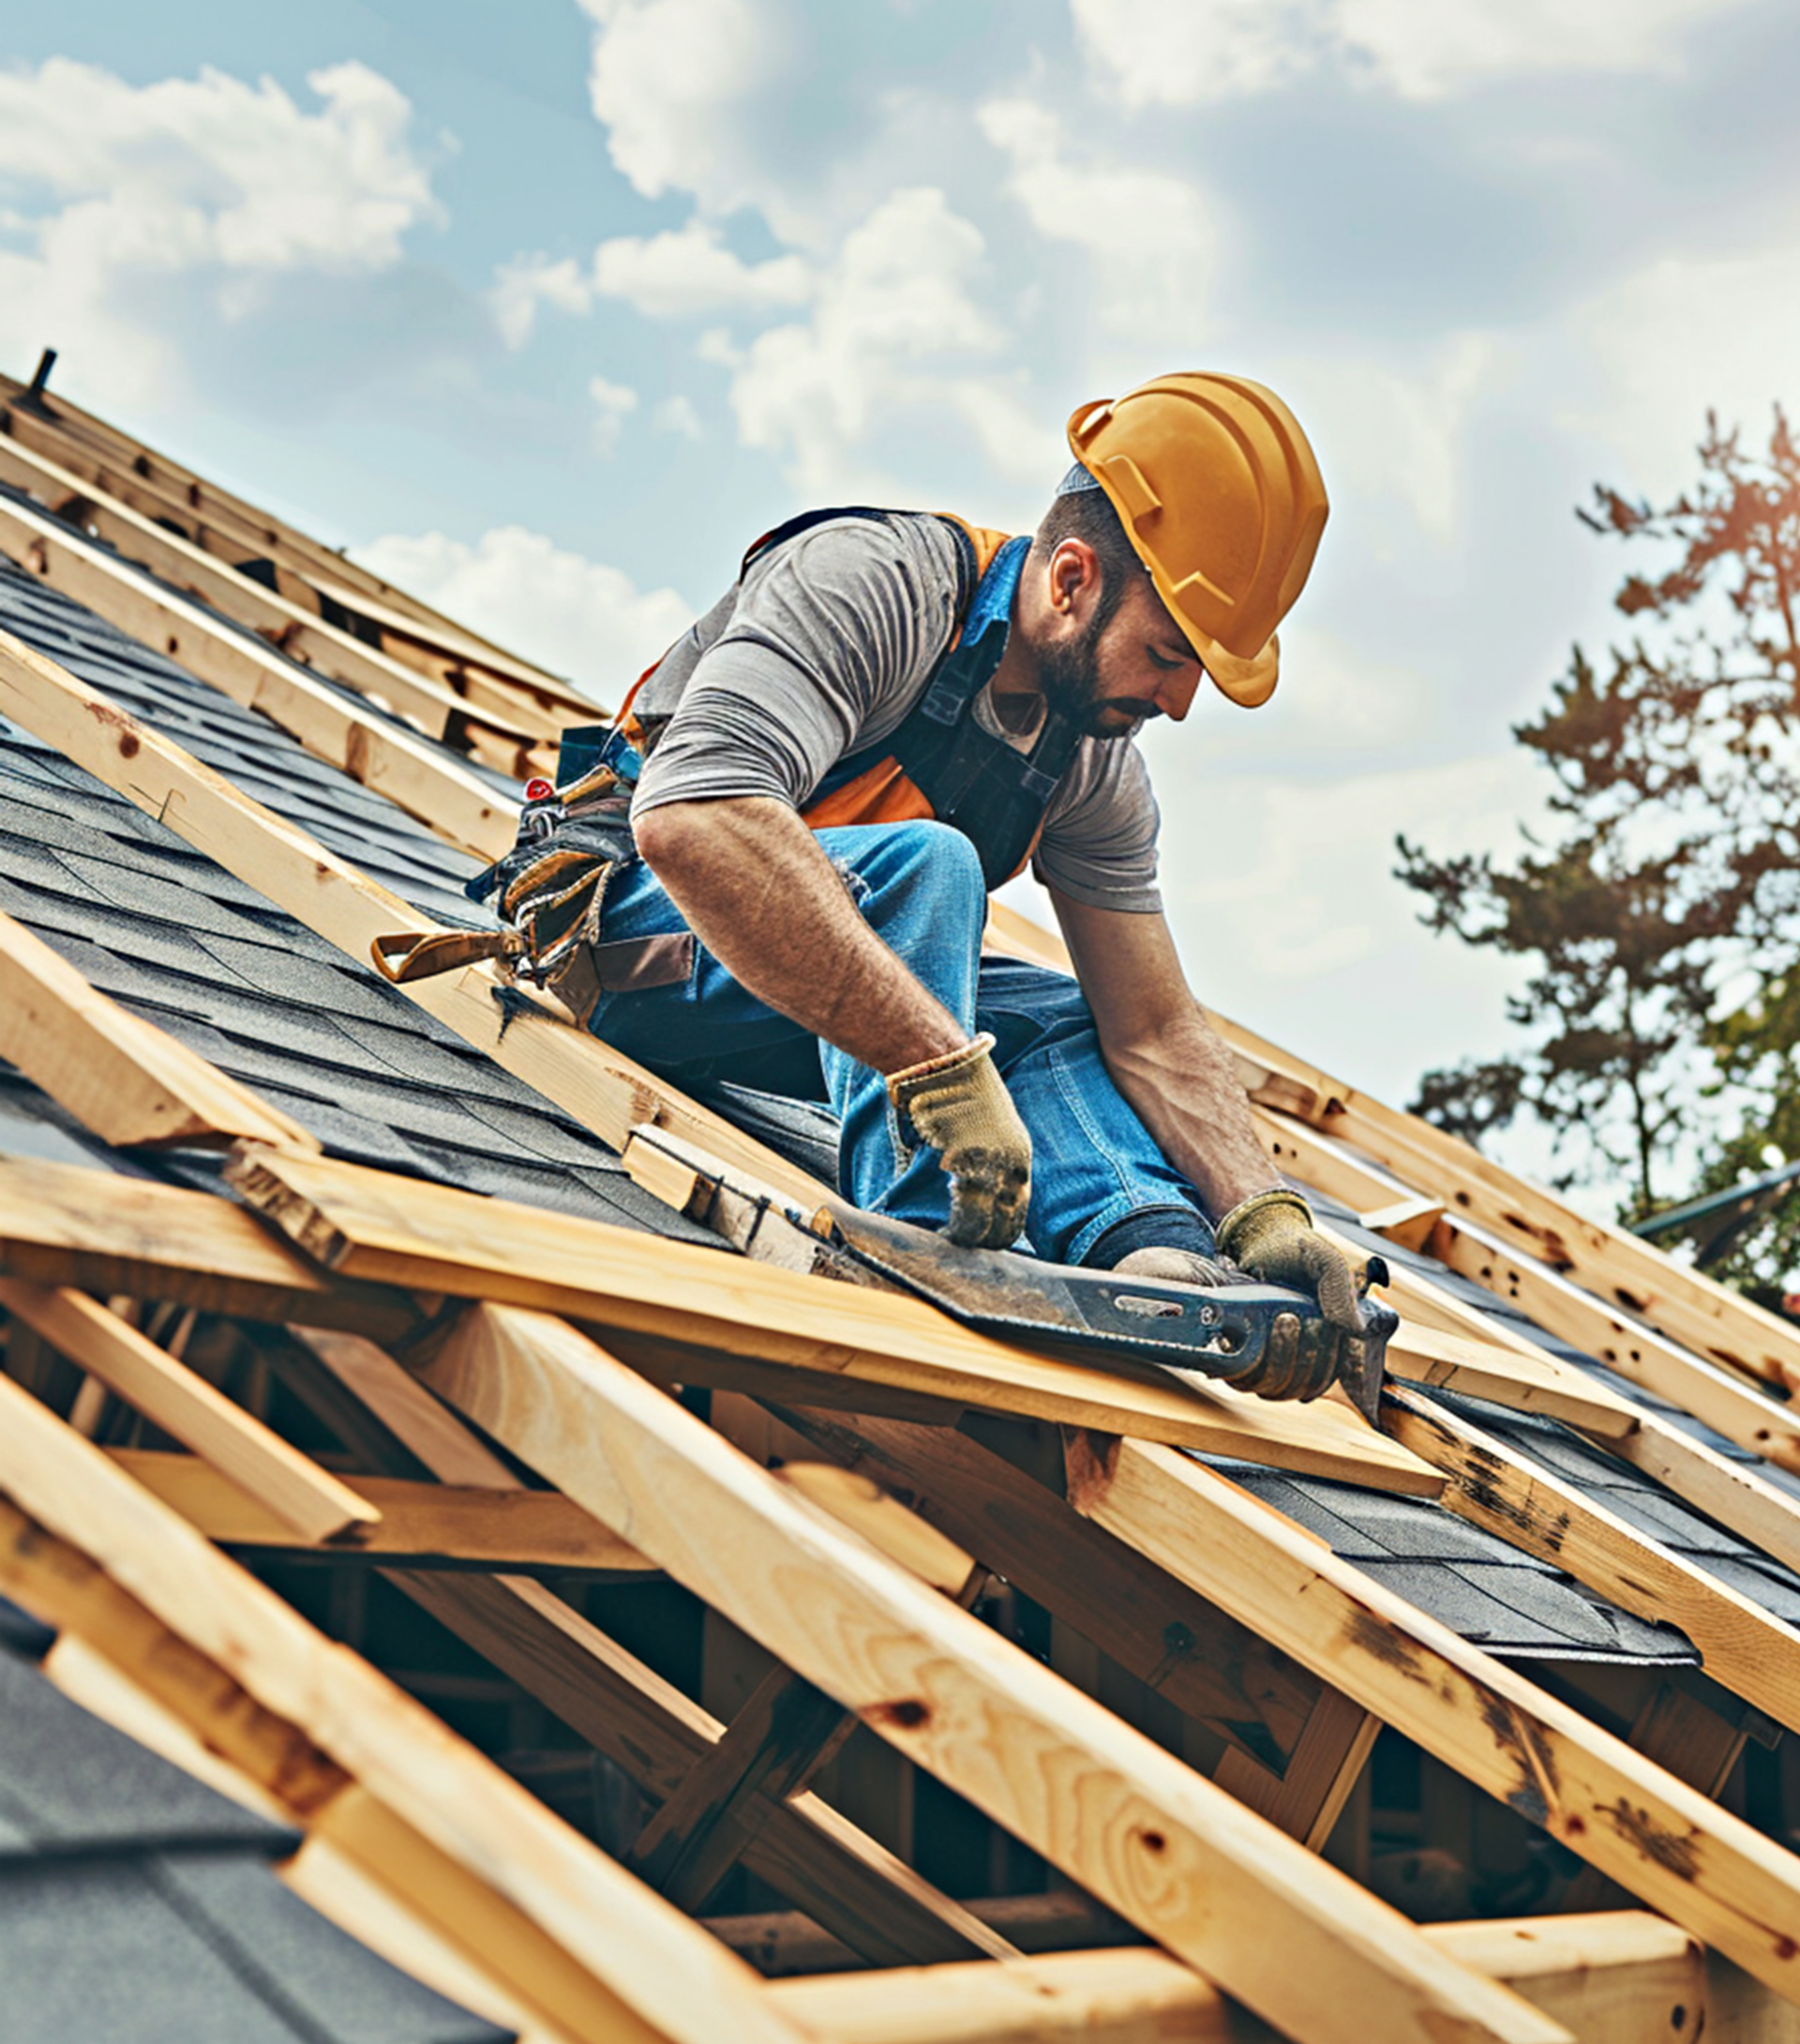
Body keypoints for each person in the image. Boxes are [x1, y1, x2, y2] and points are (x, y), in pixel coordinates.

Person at [535, 374, 1364, 1399]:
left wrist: (1264, 1213)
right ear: (1071, 579)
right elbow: (691, 819)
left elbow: (1151, 1026)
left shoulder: (1092, 754)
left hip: (817, 1011)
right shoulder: (873, 584)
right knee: (933, 865)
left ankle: (1143, 1248)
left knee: (1070, 1012)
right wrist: (941, 1067)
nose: (1181, 701)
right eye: (1167, 653)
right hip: (631, 946)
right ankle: (922, 1232)